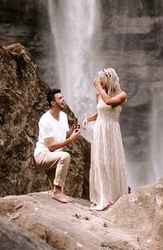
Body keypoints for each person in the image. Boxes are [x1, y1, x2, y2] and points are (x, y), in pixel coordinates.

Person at [82, 68, 128, 211]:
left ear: (108, 79)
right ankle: (103, 197)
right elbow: (100, 112)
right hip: (100, 129)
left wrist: (97, 87)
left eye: (101, 78)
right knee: (100, 162)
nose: (98, 81)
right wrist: (88, 119)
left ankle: (113, 197)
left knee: (111, 161)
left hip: (111, 131)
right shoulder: (99, 95)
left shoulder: (121, 95)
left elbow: (108, 102)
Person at [34, 88, 81, 203]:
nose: (63, 100)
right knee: (65, 156)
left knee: (57, 191)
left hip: (54, 157)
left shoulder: (64, 116)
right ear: (53, 103)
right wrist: (70, 139)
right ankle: (57, 192)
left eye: (63, 97)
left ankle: (56, 192)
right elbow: (50, 146)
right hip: (43, 155)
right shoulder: (45, 120)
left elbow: (63, 135)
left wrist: (71, 132)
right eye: (60, 98)